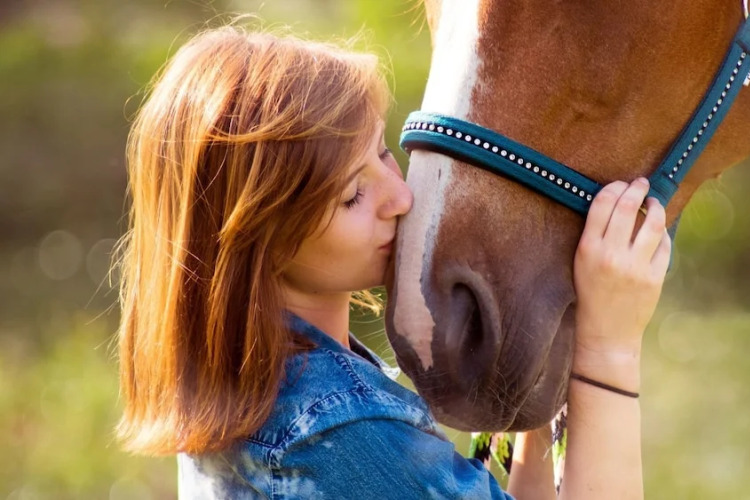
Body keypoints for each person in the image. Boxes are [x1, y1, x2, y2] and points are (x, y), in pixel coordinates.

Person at [116, 25, 671, 499]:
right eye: (352, 196)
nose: (401, 197)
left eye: (383, 152)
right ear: (258, 241)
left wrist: (536, 339)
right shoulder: (338, 430)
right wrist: (609, 348)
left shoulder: (247, 387)